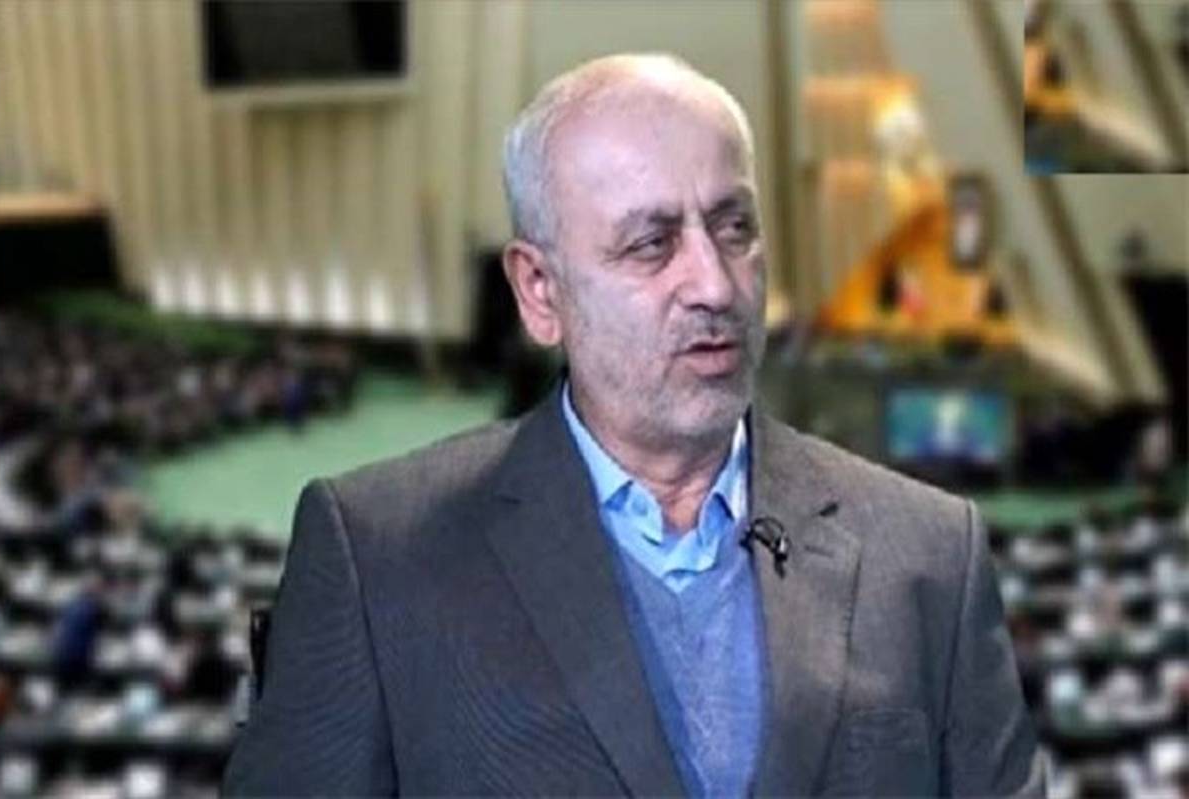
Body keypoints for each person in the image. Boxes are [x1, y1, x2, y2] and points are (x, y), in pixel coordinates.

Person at [223, 53, 1045, 797]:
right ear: (540, 291)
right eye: (652, 244)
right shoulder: (376, 560)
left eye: (734, 228)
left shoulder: (932, 553)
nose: (715, 285)